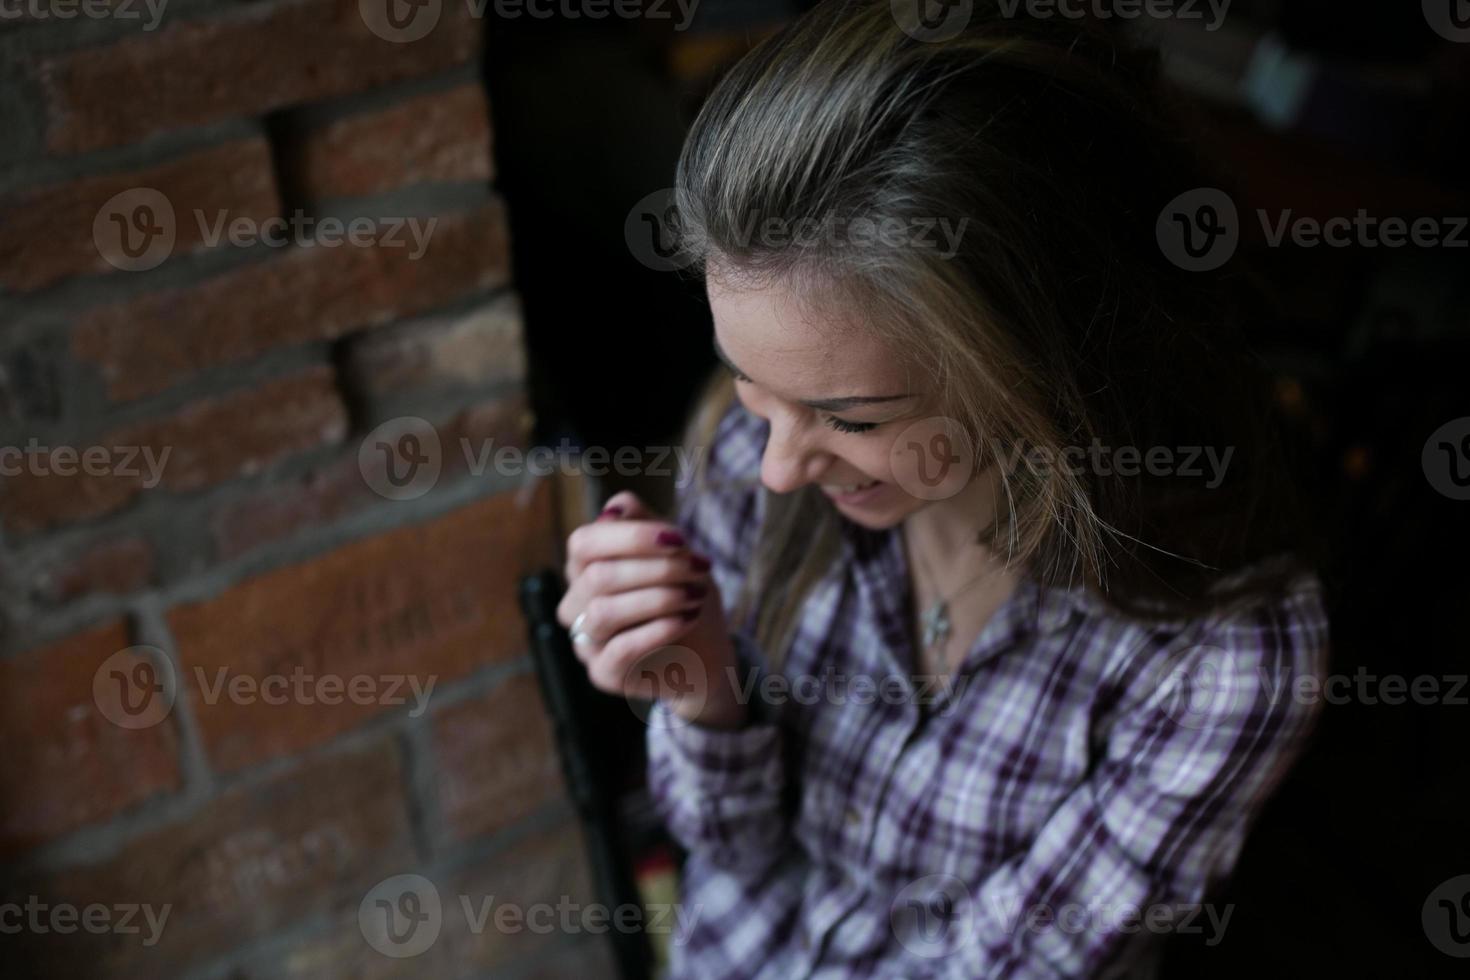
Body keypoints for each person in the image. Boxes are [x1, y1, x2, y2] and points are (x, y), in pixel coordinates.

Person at [556, 1, 1330, 975]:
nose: (777, 467)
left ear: (1055, 358)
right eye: (753, 385)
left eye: (855, 417)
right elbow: (729, 851)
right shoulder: (739, 444)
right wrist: (703, 689)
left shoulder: (1223, 657)